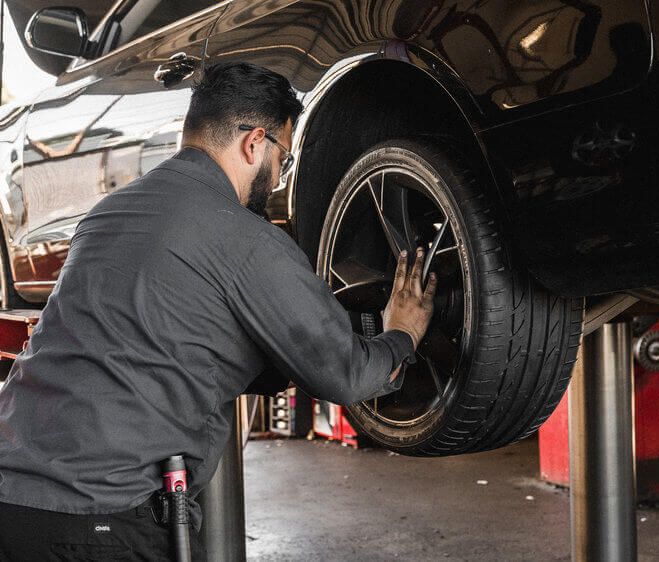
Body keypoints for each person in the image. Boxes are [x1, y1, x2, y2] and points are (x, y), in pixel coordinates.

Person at [0, 62, 436, 560]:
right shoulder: (247, 240)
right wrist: (402, 334)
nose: (277, 179)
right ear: (255, 143)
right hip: (101, 519)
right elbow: (346, 375)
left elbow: (161, 345)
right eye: (283, 160)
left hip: (11, 494)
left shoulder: (106, 216)